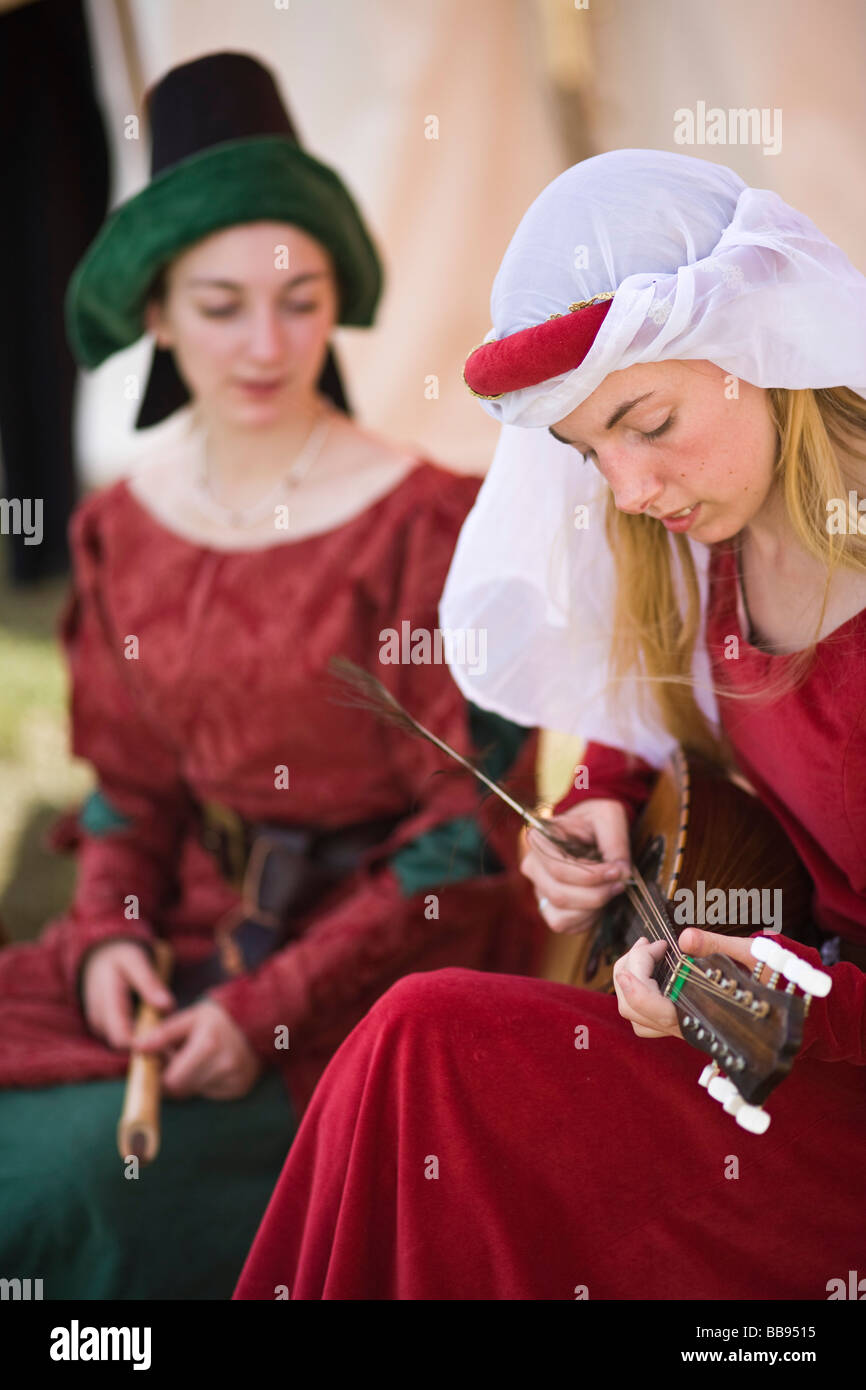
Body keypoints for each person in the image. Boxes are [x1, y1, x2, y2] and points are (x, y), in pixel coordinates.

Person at [233, 149, 866, 1301]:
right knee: (418, 1041)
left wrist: (791, 999)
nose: (625, 489)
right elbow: (648, 721)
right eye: (587, 451)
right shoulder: (705, 546)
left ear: (762, 342)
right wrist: (597, 803)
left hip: (833, 1095)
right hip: (779, 1057)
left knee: (435, 1060)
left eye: (648, 419)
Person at [0, 52, 541, 1299]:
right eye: (221, 302)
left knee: (75, 1184)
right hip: (189, 937)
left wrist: (265, 1014)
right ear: (156, 314)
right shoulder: (123, 527)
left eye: (299, 300)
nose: (264, 343)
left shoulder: (419, 524)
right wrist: (104, 938)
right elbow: (127, 800)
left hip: (386, 972)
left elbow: (463, 839)